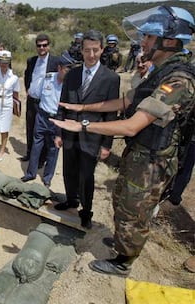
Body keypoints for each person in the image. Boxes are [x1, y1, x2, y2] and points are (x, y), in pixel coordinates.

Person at [51, 6, 195, 276]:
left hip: (153, 161)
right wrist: (83, 109)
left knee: (135, 211)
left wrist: (81, 124)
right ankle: (121, 243)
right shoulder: (159, 72)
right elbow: (126, 101)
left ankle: (123, 262)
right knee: (123, 202)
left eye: (150, 38)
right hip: (140, 154)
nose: (144, 42)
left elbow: (131, 126)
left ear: (171, 42)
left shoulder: (178, 80)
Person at [53, 30, 120, 230]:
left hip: (92, 137)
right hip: (69, 134)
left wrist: (107, 144)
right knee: (69, 172)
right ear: (81, 51)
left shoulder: (111, 79)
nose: (91, 55)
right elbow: (62, 104)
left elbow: (111, 113)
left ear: (102, 50)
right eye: (87, 50)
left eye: (95, 50)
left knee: (87, 177)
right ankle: (71, 200)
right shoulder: (72, 74)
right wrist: (58, 131)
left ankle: (86, 211)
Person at [21, 52, 76, 188]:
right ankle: (30, 173)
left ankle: (47, 178)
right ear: (59, 68)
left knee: (53, 150)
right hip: (42, 117)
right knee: (36, 146)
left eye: (71, 69)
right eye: (67, 69)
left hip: (57, 120)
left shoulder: (70, 86)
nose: (69, 72)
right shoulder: (47, 78)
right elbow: (37, 95)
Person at [22, 34, 60, 162]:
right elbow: (27, 75)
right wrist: (27, 88)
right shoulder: (31, 61)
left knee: (44, 131)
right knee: (30, 127)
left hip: (46, 103)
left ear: (49, 46)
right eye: (39, 45)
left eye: (44, 45)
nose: (42, 48)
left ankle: (41, 159)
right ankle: (29, 154)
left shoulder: (55, 62)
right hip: (32, 100)